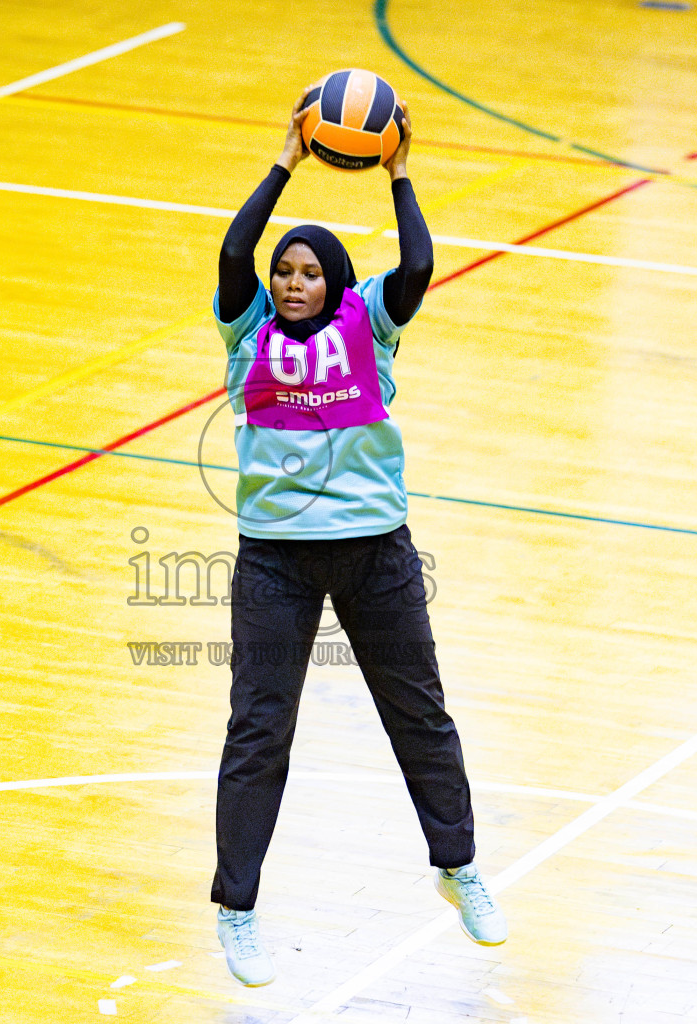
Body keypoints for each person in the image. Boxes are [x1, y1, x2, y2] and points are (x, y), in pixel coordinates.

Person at [209, 91, 506, 988]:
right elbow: (232, 251)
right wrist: (285, 160)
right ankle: (238, 910)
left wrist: (400, 172)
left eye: (310, 271)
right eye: (285, 270)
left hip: (378, 551)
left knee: (420, 715)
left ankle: (459, 868)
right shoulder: (246, 328)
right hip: (275, 561)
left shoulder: (369, 321)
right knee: (259, 730)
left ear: (335, 284)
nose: (294, 280)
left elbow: (417, 261)